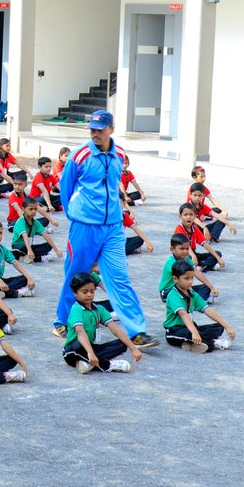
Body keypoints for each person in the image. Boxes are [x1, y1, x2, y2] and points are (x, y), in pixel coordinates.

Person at [52, 111, 156, 347]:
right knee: (76, 275)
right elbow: (66, 187)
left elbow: (115, 184)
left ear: (111, 129)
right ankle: (62, 321)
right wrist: (73, 213)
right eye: (92, 130)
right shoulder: (80, 155)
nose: (95, 134)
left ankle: (137, 331)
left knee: (120, 277)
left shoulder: (119, 154)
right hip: (85, 225)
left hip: (113, 227)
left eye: (100, 129)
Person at [61, 273, 145, 374]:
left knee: (123, 343)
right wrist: (90, 353)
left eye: (92, 291)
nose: (89, 295)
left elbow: (116, 330)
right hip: (73, 351)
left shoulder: (99, 309)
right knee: (78, 345)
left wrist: (133, 348)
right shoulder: (76, 309)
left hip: (89, 347)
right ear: (75, 293)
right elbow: (80, 332)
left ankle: (88, 364)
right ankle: (109, 365)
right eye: (85, 292)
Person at [162, 261, 235, 352]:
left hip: (191, 327)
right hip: (174, 330)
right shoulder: (173, 295)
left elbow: (207, 309)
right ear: (175, 279)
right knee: (189, 333)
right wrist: (194, 332)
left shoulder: (192, 294)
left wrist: (227, 327)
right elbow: (184, 314)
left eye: (192, 278)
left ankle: (191, 344)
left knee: (219, 327)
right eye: (186, 278)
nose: (190, 281)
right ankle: (212, 343)